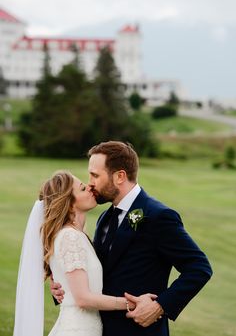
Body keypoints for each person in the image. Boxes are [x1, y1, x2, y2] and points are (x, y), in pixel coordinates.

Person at [51, 141, 213, 336]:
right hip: (101, 329)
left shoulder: (158, 216)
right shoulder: (105, 218)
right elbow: (99, 270)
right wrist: (65, 288)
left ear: (119, 176)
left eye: (95, 175)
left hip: (140, 331)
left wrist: (160, 305)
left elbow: (199, 267)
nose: (90, 182)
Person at [13, 170, 141, 336]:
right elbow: (83, 299)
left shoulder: (76, 235)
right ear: (69, 202)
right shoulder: (69, 237)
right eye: (82, 188)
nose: (89, 187)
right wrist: (131, 303)